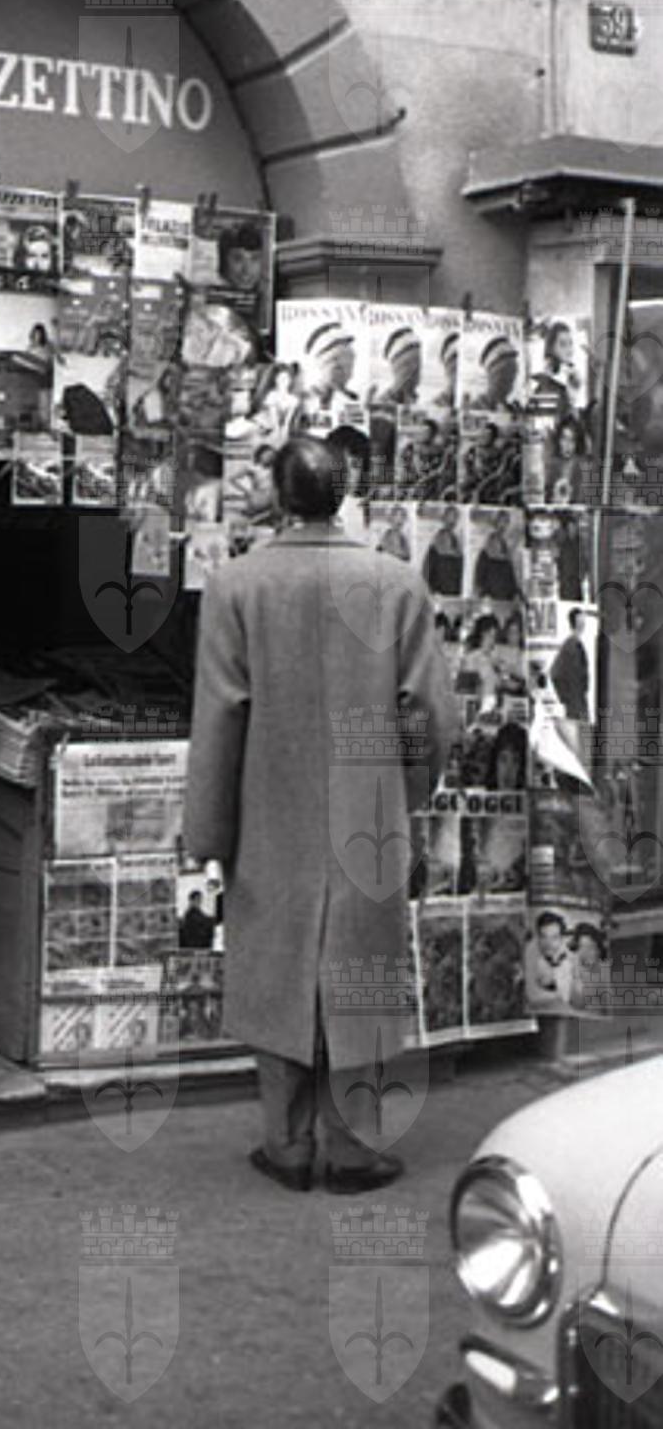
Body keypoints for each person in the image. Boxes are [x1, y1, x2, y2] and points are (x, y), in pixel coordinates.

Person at [185, 436, 457, 1192]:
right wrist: (406, 791)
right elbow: (429, 715)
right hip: (366, 813)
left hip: (269, 808)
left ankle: (287, 1144)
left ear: (279, 494)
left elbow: (220, 716)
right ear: (344, 493)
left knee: (277, 972)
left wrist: (206, 833)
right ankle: (353, 1149)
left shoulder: (235, 586)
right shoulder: (395, 583)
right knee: (360, 976)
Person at [525, 910, 574, 1007]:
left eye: (554, 937)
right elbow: (531, 995)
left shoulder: (569, 959)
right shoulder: (530, 950)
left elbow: (566, 997)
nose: (548, 943)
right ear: (538, 937)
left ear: (562, 939)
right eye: (544, 936)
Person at [550, 608, 591, 720]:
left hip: (580, 699)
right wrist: (566, 697)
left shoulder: (577, 644)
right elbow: (555, 673)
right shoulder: (570, 645)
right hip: (575, 702)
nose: (583, 623)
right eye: (580, 620)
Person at [475, 509, 521, 602]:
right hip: (493, 591)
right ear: (496, 522)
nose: (504, 525)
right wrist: (483, 591)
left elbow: (509, 571)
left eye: (506, 522)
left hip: (504, 592)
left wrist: (515, 591)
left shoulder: (505, 545)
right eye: (502, 521)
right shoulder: (488, 545)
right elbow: (481, 571)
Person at [369, 326, 421, 407]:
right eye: (408, 364)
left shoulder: (415, 401)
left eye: (418, 364)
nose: (414, 368)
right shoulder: (383, 403)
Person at [424, 504, 464, 596]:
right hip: (438, 591)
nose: (452, 521)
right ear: (444, 519)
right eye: (449, 517)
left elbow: (459, 571)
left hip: (454, 591)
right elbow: (428, 569)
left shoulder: (457, 541)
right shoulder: (436, 541)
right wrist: (431, 590)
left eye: (455, 517)